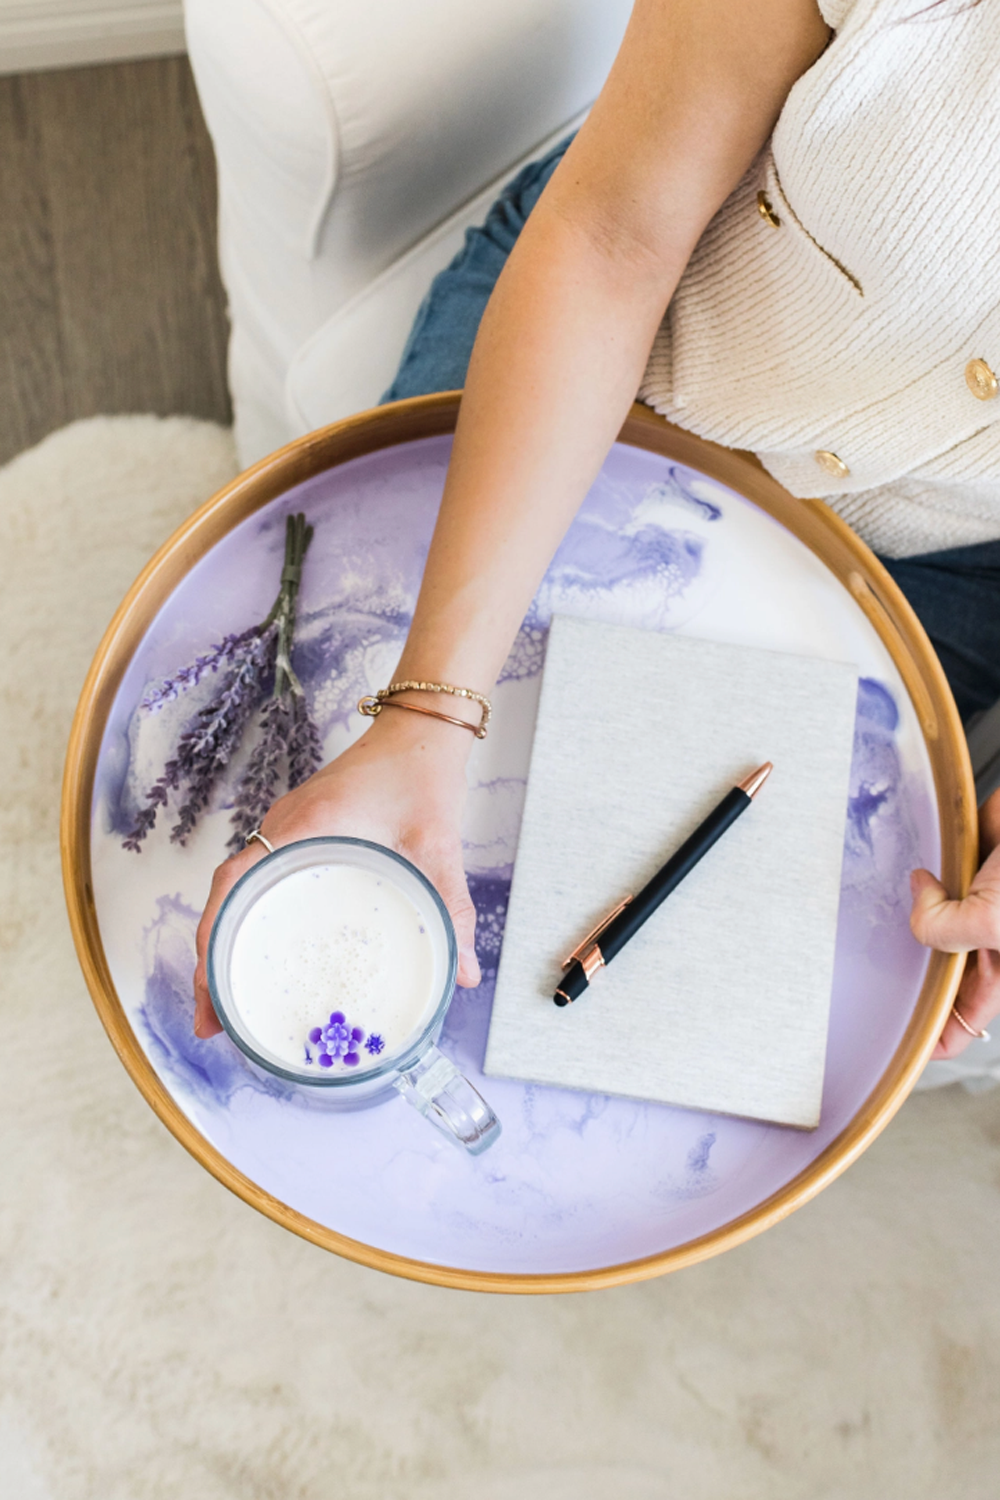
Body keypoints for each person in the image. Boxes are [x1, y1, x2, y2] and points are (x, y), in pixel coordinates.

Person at [193, 0, 1000, 1060]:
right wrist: (428, 715)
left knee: (648, 1032)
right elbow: (611, 236)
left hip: (930, 560)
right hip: (630, 334)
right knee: (288, 768)